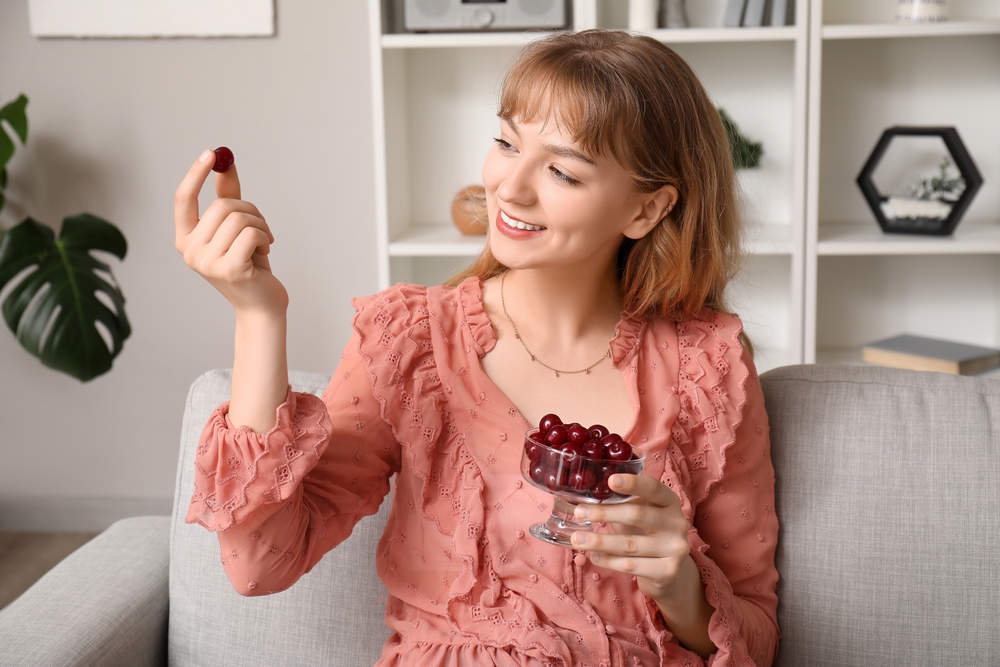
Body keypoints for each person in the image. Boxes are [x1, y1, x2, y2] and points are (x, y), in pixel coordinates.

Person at [173, 29, 779, 667]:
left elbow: (758, 638)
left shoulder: (708, 364)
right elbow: (258, 563)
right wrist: (259, 315)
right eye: (505, 143)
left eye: (563, 171)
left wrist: (678, 582)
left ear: (647, 210)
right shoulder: (410, 343)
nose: (510, 188)